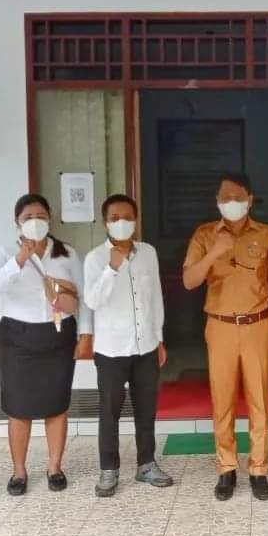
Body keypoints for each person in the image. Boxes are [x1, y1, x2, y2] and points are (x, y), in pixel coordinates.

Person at [183, 173, 268, 501]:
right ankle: (226, 468)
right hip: (220, 326)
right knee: (223, 399)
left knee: (260, 400)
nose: (232, 202)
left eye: (238, 196)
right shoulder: (204, 235)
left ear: (250, 199)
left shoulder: (267, 235)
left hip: (258, 325)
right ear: (217, 201)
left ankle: (259, 469)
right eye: (225, 197)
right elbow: (189, 281)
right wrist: (214, 253)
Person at [0, 193, 93, 495]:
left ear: (50, 218)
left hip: (58, 335)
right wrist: (19, 259)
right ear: (16, 222)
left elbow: (84, 297)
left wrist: (86, 335)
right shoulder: (5, 252)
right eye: (28, 218)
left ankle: (54, 467)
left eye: (41, 217)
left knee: (56, 405)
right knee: (18, 408)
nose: (35, 222)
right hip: (18, 337)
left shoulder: (66, 253)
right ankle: (19, 471)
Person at [84, 194, 173, 498]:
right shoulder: (95, 258)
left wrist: (159, 338)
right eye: (114, 218)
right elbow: (93, 301)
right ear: (104, 222)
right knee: (109, 411)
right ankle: (109, 469)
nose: (121, 222)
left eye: (127, 217)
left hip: (145, 345)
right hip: (111, 349)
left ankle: (146, 464)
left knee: (146, 408)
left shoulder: (148, 252)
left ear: (136, 220)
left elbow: (156, 297)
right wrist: (112, 268)